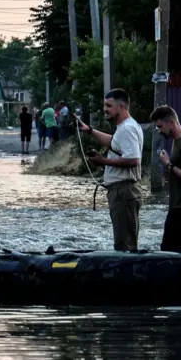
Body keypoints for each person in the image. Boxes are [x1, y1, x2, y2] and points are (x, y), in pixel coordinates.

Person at [75, 88, 144, 251]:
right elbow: (113, 142)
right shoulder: (125, 127)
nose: (105, 109)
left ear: (122, 107)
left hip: (124, 192)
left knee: (124, 245)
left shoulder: (127, 128)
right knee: (123, 242)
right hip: (121, 192)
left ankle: (126, 276)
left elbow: (134, 159)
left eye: (109, 105)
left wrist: (103, 160)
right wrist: (90, 130)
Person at [150, 105, 181, 253]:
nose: (159, 130)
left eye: (160, 126)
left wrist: (168, 164)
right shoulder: (175, 142)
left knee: (175, 249)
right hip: (177, 205)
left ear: (171, 122)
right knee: (171, 248)